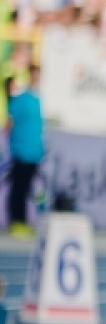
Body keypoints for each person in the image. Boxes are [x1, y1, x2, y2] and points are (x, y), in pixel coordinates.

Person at [6, 66, 43, 238]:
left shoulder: (36, 99)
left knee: (30, 190)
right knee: (19, 189)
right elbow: (9, 123)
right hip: (21, 151)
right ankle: (16, 222)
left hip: (33, 153)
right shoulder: (21, 99)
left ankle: (25, 221)